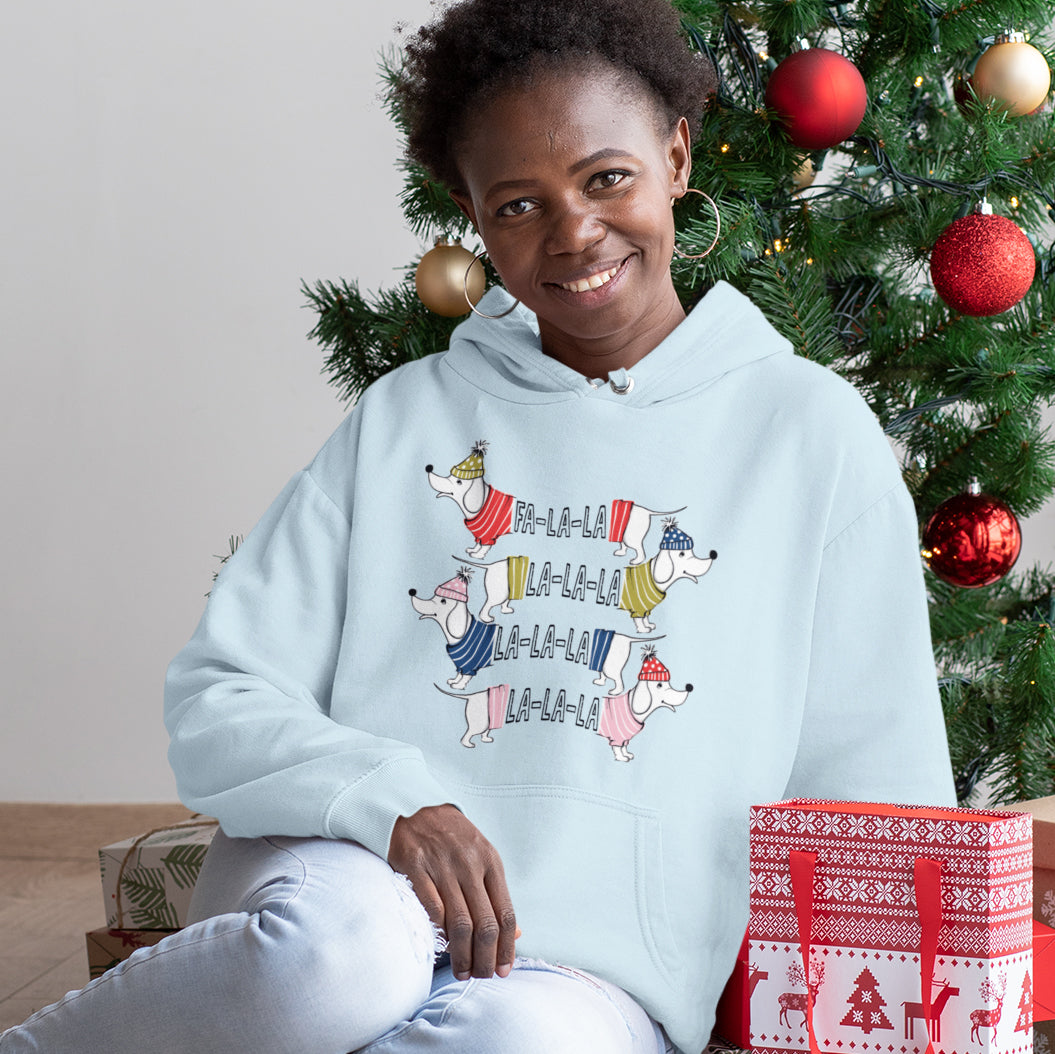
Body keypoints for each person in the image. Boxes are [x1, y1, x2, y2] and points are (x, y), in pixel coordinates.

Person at [0, 0, 956, 1051]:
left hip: (590, 964)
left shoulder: (807, 434)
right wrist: (393, 802)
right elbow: (219, 693)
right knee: (331, 961)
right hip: (344, 883)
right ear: (468, 212)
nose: (574, 233)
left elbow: (877, 789)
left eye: (606, 177)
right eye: (516, 205)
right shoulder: (408, 418)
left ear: (675, 155)